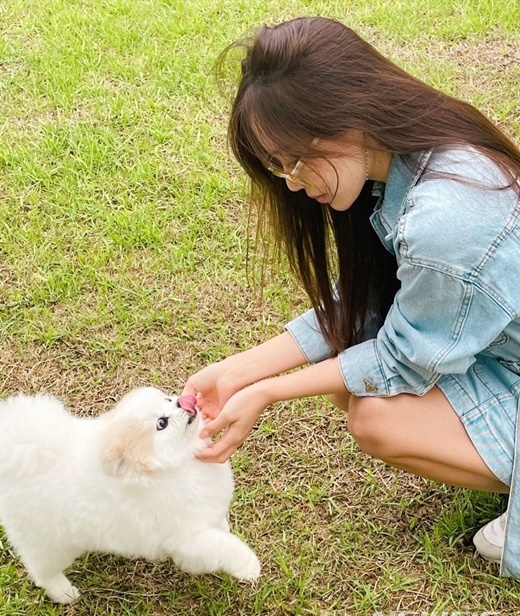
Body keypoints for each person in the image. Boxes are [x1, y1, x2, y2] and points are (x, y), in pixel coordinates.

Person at [182, 17, 520, 577]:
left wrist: (267, 393)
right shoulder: (409, 160)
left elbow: (398, 361)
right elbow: (367, 301)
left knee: (376, 416)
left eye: (296, 159)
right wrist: (238, 370)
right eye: (278, 166)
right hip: (504, 353)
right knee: (354, 377)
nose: (292, 182)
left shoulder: (445, 218)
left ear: (348, 116)